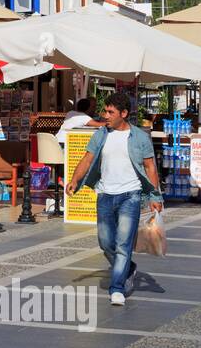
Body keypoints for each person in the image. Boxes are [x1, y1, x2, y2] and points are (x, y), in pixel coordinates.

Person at [66, 91, 164, 305]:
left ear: (124, 113)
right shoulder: (101, 134)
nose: (105, 115)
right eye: (105, 111)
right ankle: (128, 267)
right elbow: (87, 159)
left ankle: (117, 287)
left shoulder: (139, 136)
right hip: (105, 194)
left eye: (110, 112)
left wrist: (155, 196)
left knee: (123, 244)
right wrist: (74, 179)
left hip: (131, 195)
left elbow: (150, 167)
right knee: (105, 241)